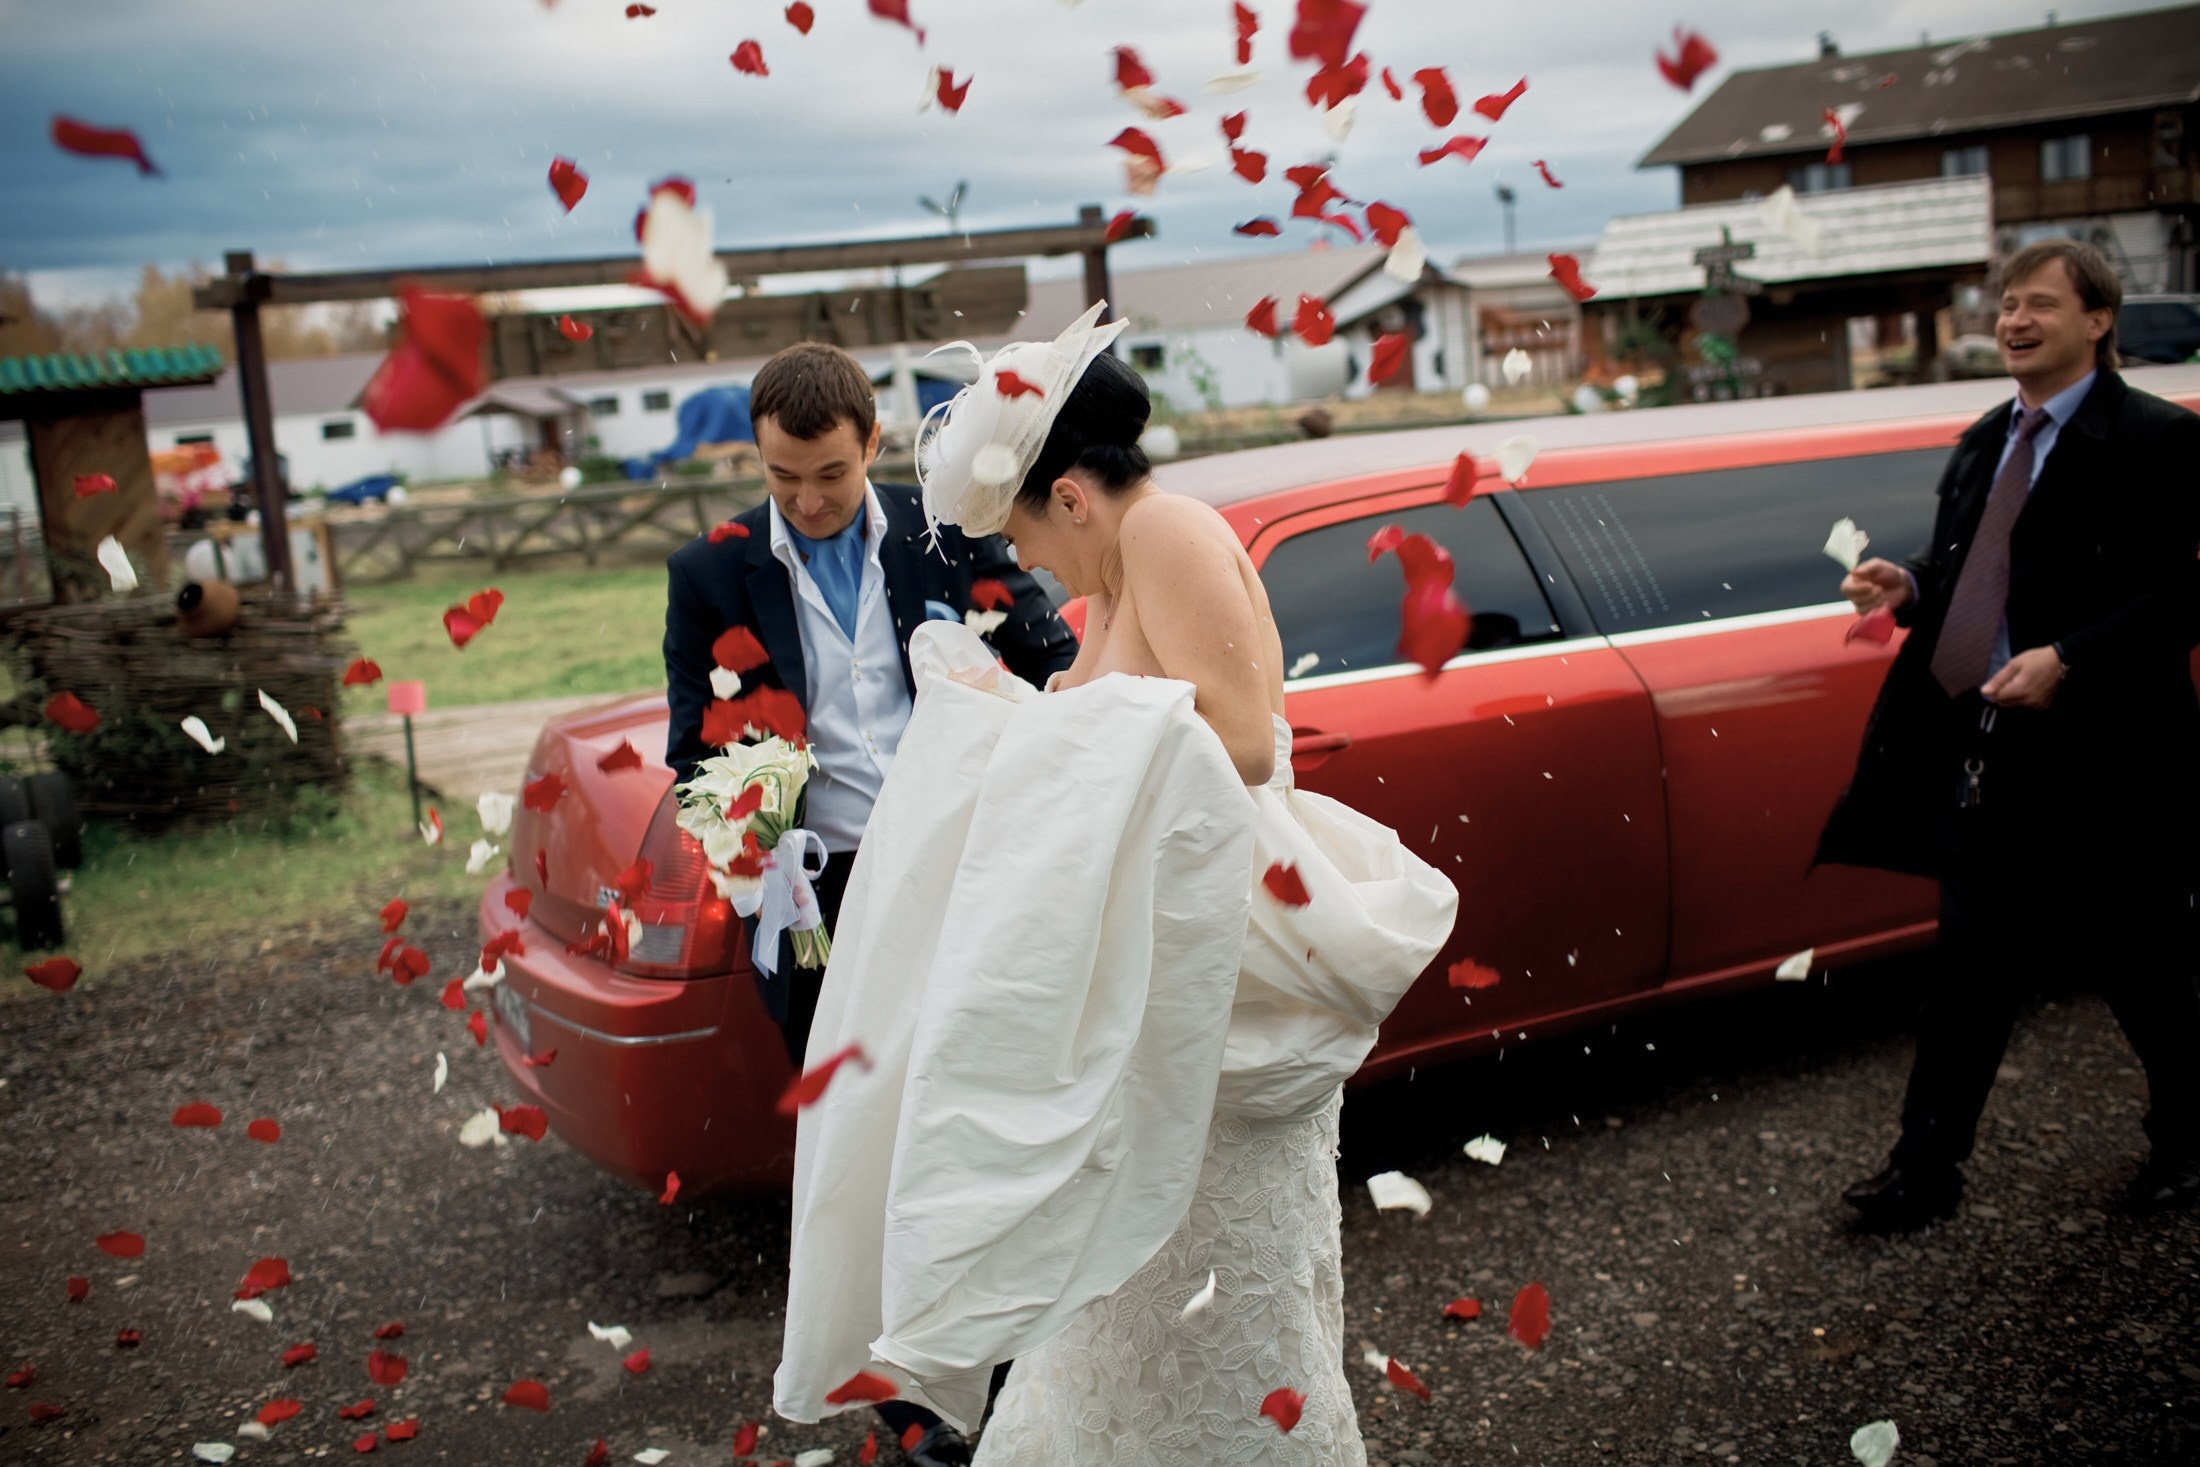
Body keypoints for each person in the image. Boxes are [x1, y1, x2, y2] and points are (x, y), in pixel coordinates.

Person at [772, 305, 1458, 1463]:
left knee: (1212, 1284)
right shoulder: (1120, 570)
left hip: (1224, 939)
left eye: (1029, 536)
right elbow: (1133, 724)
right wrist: (1017, 722)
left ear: (1073, 496)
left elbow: (1236, 745)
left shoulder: (1168, 531)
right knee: (1117, 1267)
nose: (1030, 563)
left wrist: (1047, 736)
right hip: (1167, 925)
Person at [661, 340, 1075, 1466]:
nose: (806, 501)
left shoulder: (952, 536)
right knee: (860, 1148)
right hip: (814, 898)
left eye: (830, 476)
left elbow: (1055, 667)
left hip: (961, 872)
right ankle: (910, 1400)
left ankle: (1000, 1357)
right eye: (783, 476)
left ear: (872, 446)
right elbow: (688, 750)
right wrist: (745, 826)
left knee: (976, 1113)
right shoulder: (707, 573)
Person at [1819, 238, 2200, 1232]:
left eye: (2037, 305)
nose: (2014, 323)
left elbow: (2185, 590)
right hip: (1990, 755)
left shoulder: (2155, 439)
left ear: (2097, 320)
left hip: (2111, 761)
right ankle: (1923, 1172)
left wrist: (2071, 655)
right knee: (1968, 976)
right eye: (2004, 309)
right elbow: (1973, 574)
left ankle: (2188, 1146)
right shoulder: (1987, 438)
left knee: (2145, 969)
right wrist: (1907, 587)